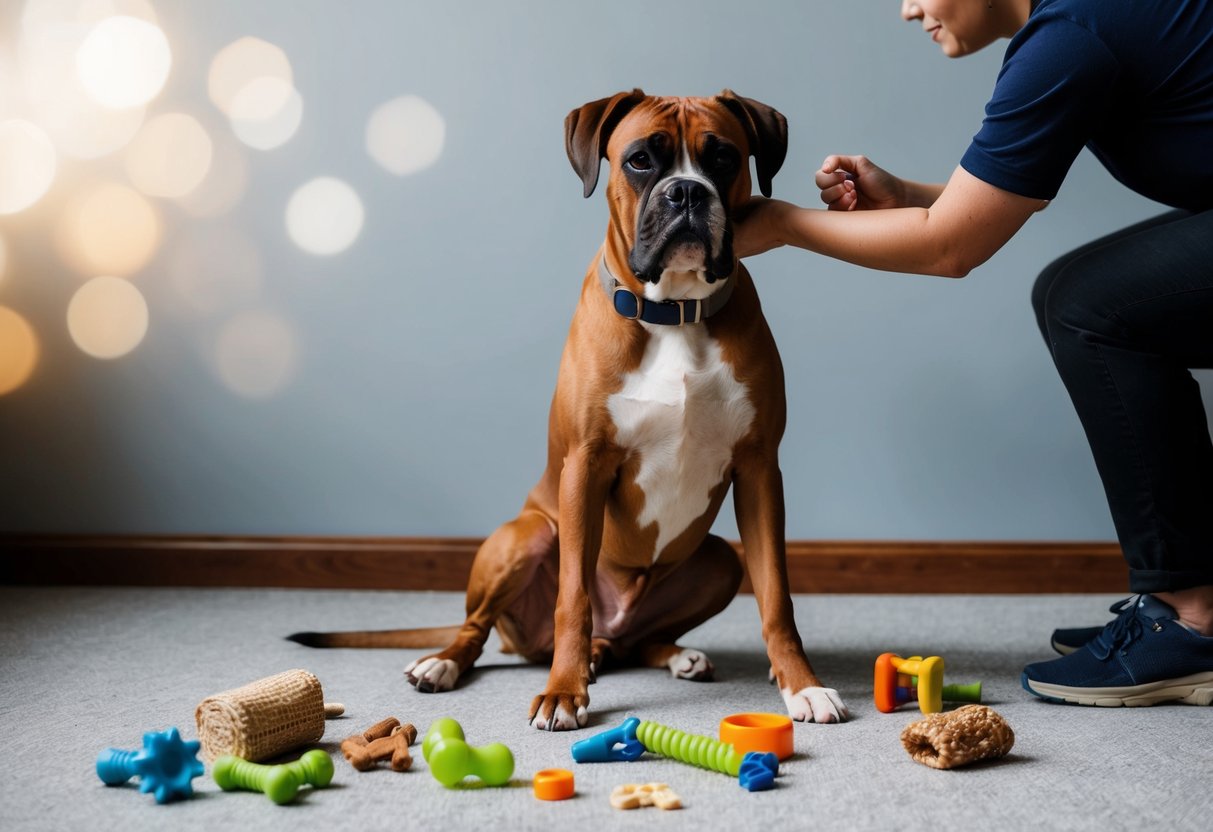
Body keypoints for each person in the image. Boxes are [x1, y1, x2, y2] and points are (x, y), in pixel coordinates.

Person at [734, 0, 1213, 707]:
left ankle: (1189, 618)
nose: (906, 10)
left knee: (1088, 305)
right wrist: (904, 197)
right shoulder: (1079, 24)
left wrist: (780, 224)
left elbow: (950, 245)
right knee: (1075, 294)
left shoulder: (1070, 37)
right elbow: (993, 204)